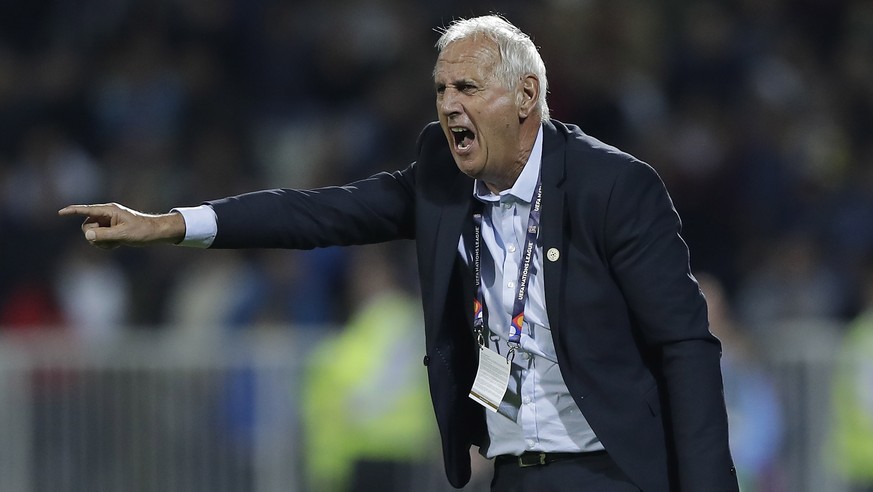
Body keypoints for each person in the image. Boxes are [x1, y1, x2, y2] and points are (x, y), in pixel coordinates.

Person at [59, 15, 738, 491]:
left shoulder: (612, 186)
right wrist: (173, 224)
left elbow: (684, 345)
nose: (447, 105)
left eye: (466, 88)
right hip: (511, 475)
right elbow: (316, 213)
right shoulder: (443, 181)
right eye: (440, 89)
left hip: (610, 471)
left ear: (526, 97)